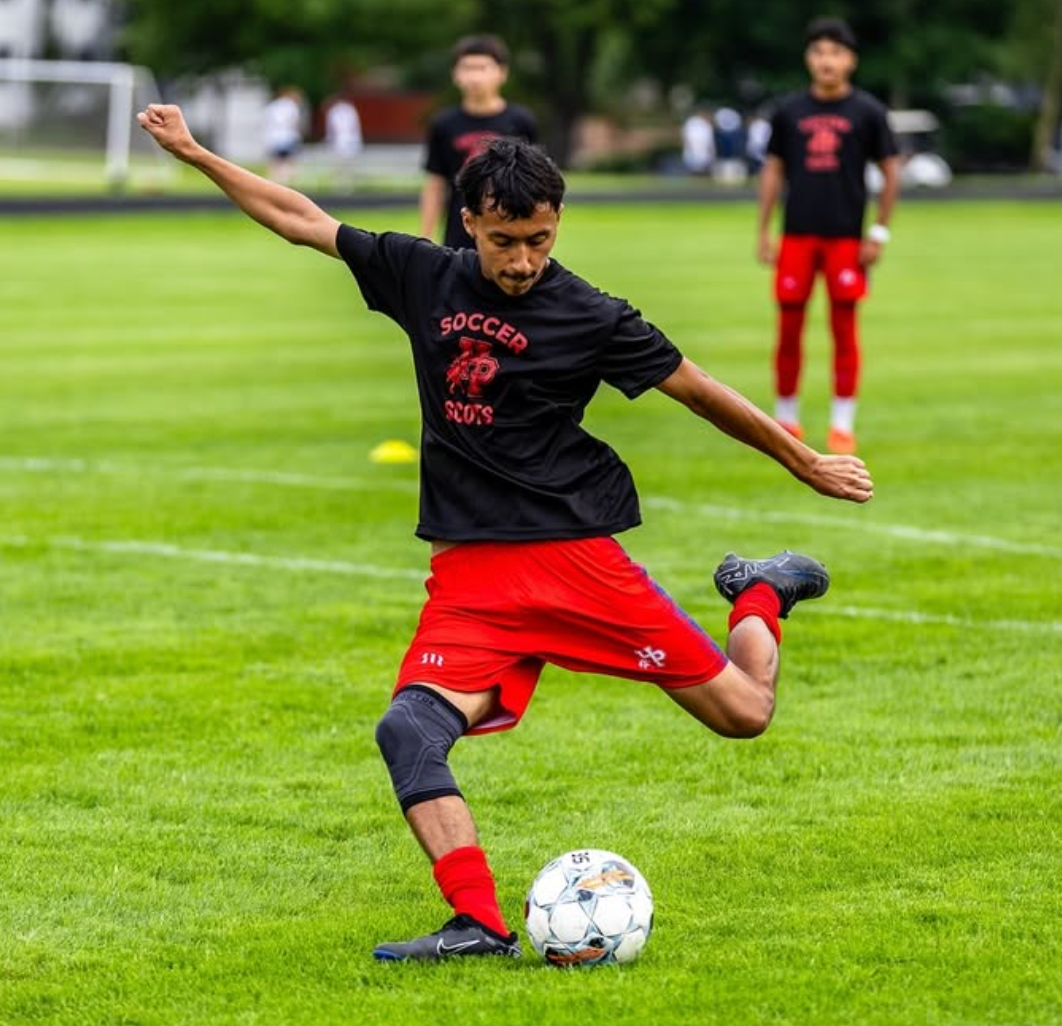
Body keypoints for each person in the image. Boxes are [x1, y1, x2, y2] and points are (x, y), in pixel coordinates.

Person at [137, 102, 875, 962]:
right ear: (469, 223)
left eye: (539, 240)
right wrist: (196, 153)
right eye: (503, 242)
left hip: (573, 560)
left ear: (556, 223)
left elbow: (700, 391)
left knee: (745, 714)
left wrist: (804, 461)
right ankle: (479, 925)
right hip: (470, 582)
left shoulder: (592, 315)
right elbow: (299, 217)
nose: (522, 261)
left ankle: (759, 592)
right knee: (407, 731)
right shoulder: (423, 275)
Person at [756, 17, 900, 455]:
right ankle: (786, 419)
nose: (827, 61)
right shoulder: (788, 112)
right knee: (789, 329)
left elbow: (891, 171)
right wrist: (764, 230)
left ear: (851, 60)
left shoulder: (868, 112)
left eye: (836, 52)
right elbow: (773, 170)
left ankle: (842, 425)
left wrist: (878, 232)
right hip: (797, 236)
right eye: (819, 52)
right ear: (808, 59)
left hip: (845, 239)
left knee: (844, 329)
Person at [420, 34, 538, 249]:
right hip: (459, 232)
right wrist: (425, 239)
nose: (474, 77)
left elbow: (534, 183)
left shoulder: (521, 121)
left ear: (502, 72)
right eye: (467, 68)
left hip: (509, 231)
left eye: (482, 68)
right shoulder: (443, 124)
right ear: (455, 74)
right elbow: (435, 184)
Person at [263, 86, 304, 184]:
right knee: (289, 162)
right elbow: (294, 122)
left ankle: (274, 183)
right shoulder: (291, 106)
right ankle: (287, 182)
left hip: (273, 138)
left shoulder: (272, 106)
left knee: (275, 164)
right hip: (288, 137)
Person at [323, 94, 363, 193]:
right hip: (349, 140)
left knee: (340, 164)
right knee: (347, 165)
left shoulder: (335, 111)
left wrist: (330, 140)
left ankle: (341, 184)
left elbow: (332, 128)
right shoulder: (349, 109)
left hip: (341, 140)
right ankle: (346, 184)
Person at [681, 106, 715, 175]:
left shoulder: (704, 124)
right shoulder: (693, 122)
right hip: (694, 153)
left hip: (702, 153)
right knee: (695, 170)